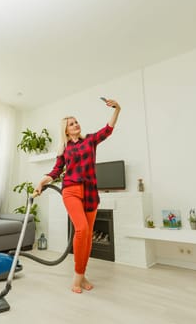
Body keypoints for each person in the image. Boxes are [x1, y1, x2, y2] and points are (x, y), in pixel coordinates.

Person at [34, 98, 121, 293]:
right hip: (71, 190)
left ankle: (82, 275)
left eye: (76, 122)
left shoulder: (90, 140)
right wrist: (41, 182)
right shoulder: (65, 149)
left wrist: (118, 109)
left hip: (90, 192)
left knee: (88, 237)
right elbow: (56, 171)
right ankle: (77, 277)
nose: (76, 124)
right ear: (66, 130)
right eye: (72, 123)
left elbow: (107, 129)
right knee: (81, 229)